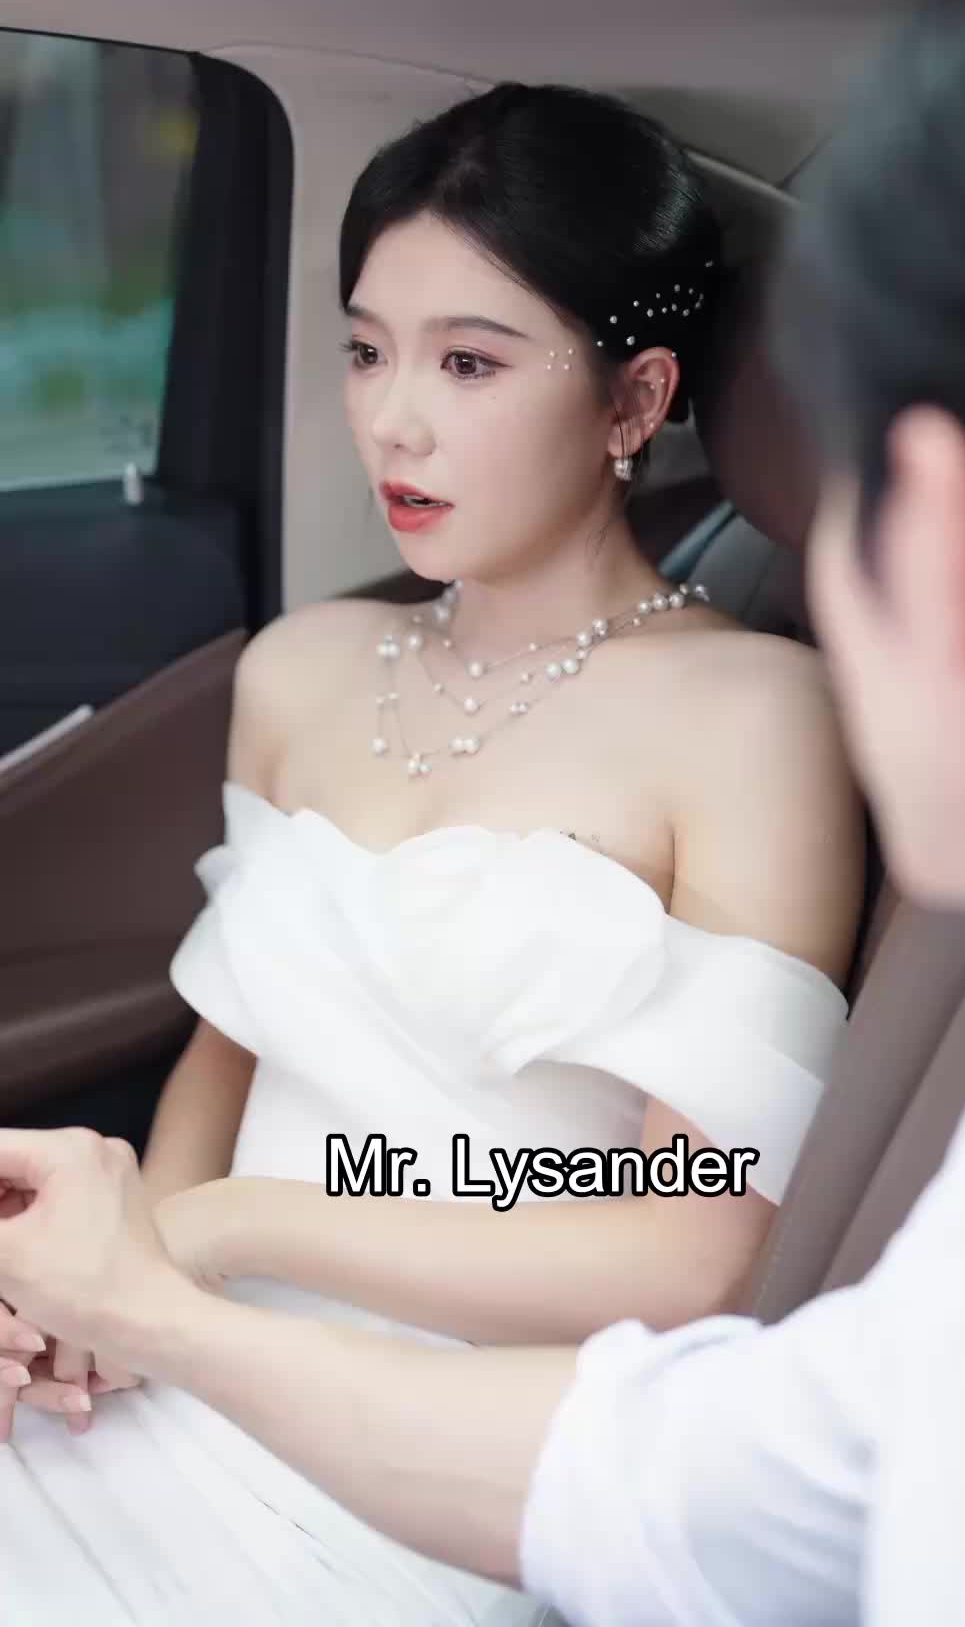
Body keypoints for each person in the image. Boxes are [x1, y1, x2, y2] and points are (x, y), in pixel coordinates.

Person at [0, 83, 863, 1622]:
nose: (393, 418)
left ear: (634, 399)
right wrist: (103, 1303)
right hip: (168, 1352)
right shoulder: (302, 668)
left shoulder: (757, 719)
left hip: (426, 1459)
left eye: (468, 361)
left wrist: (213, 1235)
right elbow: (231, 1052)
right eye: (365, 350)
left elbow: (702, 1257)